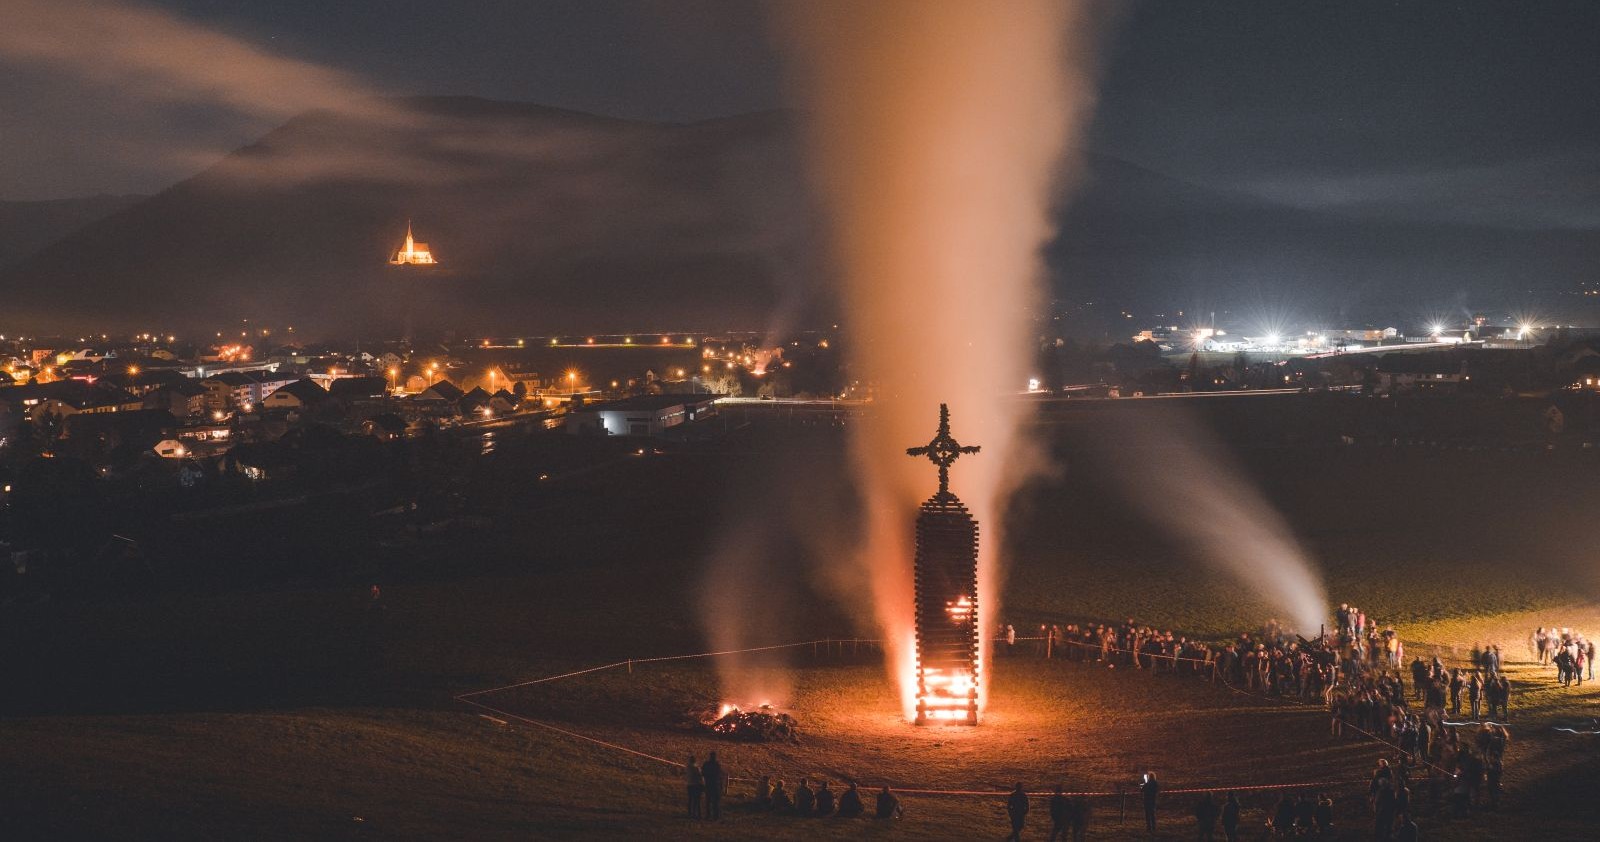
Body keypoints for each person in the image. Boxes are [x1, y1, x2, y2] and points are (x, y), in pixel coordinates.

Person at [701, 750, 724, 820]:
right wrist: (721, 785)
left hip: (708, 784)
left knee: (708, 801)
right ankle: (715, 816)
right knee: (715, 802)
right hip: (715, 785)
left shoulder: (706, 764)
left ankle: (708, 815)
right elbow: (720, 775)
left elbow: (702, 773)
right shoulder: (717, 765)